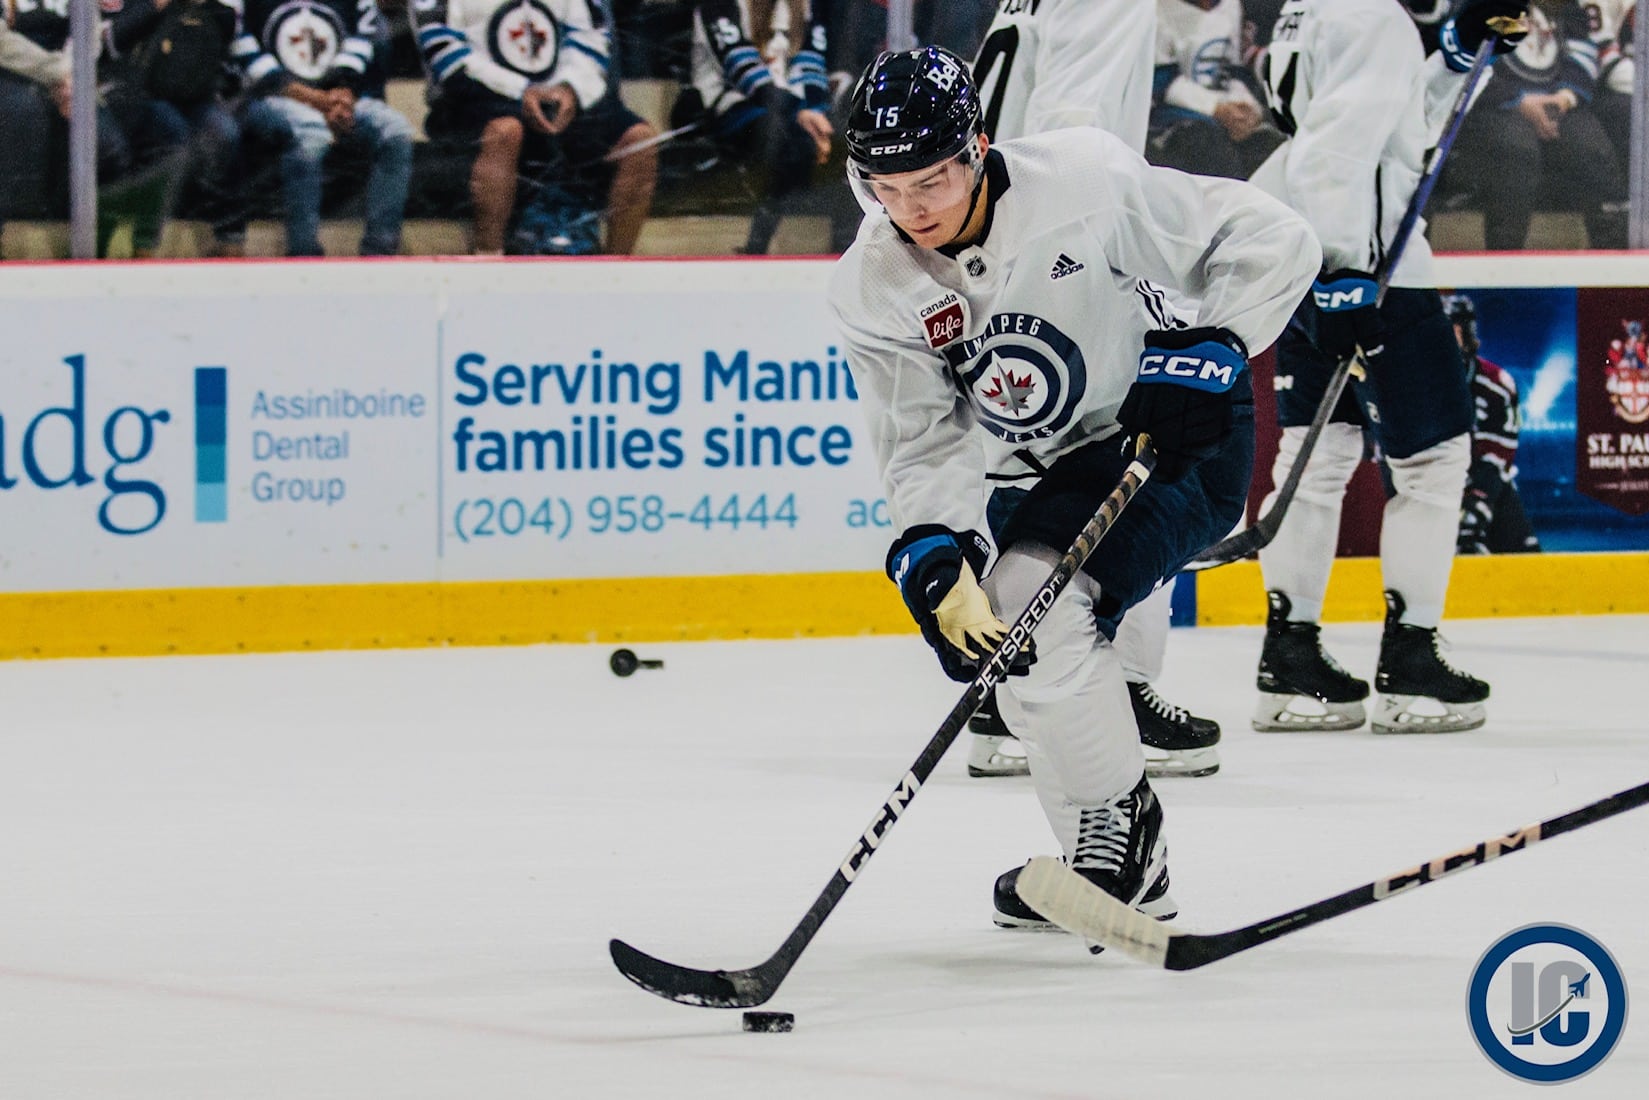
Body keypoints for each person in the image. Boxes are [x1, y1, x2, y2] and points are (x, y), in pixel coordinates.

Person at [829, 47, 1317, 928]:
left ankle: (1124, 848)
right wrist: (936, 551)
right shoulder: (874, 284)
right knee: (1007, 646)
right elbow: (922, 441)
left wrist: (1214, 344)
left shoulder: (1082, 182)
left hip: (1165, 441)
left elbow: (1273, 237)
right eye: (885, 188)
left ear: (977, 149)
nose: (911, 209)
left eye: (931, 181)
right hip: (1033, 483)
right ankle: (1103, 867)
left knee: (1035, 611)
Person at [1246, 0, 1525, 735]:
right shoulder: (1372, 16)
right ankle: (1411, 664)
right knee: (1432, 461)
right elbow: (1338, 148)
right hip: (1373, 270)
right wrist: (1346, 273)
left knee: (1316, 455)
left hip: (1305, 253)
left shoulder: (1307, 11)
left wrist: (1455, 54)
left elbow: (1391, 131)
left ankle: (1289, 660)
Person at [968, 0, 1222, 782]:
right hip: (1063, 249)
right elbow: (1069, 138)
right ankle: (1109, 691)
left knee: (1022, 467)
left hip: (992, 253)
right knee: (1136, 456)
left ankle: (1005, 698)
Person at [413, 0, 657, 255]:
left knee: (638, 140)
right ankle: (488, 260)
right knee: (505, 132)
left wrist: (570, 87)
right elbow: (440, 46)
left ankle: (615, 267)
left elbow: (591, 34)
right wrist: (519, 89)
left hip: (559, 96)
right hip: (479, 98)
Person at [233, 0, 414, 256]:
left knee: (395, 131)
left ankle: (380, 251)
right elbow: (244, 51)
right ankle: (303, 252)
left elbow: (361, 38)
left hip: (337, 95)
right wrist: (315, 99)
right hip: (268, 98)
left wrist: (343, 92)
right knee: (311, 132)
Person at [1443, 0, 1625, 250]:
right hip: (1493, 106)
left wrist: (1564, 98)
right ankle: (1505, 256)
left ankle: (1612, 253)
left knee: (1591, 148)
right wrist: (1518, 101)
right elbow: (1463, 59)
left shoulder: (1562, 7)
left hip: (1555, 101)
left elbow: (1583, 53)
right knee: (1517, 150)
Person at [682, 0, 838, 254]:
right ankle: (757, 248)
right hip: (732, 108)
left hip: (791, 112)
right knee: (784, 136)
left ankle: (843, 250)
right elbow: (743, 70)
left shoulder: (807, 5)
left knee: (842, 140)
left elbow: (812, 64)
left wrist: (816, 113)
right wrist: (800, 112)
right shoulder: (718, 5)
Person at [1443, 294, 1543, 555]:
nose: (1442, 342)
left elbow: (1498, 455)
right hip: (1431, 489)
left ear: (1467, 334)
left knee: (1526, 562)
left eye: (1451, 332)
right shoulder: (1412, 387)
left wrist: (1477, 505)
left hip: (1489, 488)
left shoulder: (1496, 385)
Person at [1149, 0, 1284, 180]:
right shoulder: (1154, 10)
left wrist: (1245, 107)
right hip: (1174, 119)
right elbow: (1160, 82)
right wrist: (1216, 108)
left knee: (1271, 147)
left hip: (1224, 111)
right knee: (1206, 143)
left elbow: (1234, 70)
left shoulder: (1231, 6)